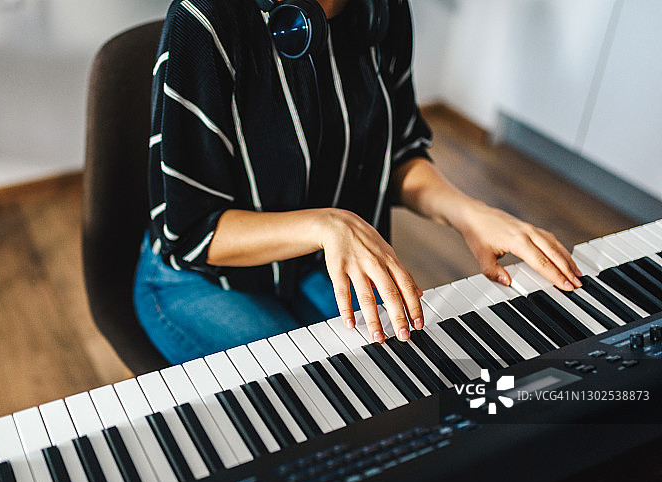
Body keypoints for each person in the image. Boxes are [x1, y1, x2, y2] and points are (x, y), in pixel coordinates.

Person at [133, 0, 582, 365]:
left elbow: (398, 151)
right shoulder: (205, 20)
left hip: (314, 261)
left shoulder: (383, 9)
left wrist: (470, 213)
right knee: (322, 401)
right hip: (197, 278)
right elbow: (189, 230)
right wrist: (325, 225)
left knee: (408, 374)